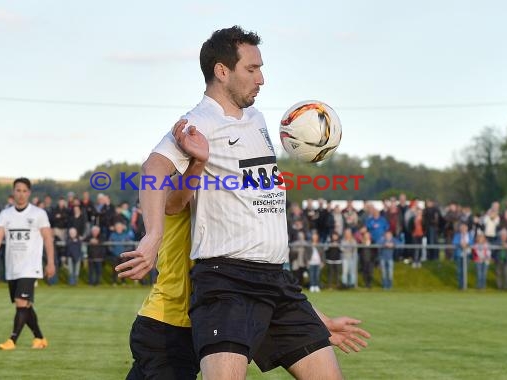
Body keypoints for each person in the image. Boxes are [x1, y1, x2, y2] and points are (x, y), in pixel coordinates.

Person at [118, 26, 356, 379]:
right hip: (227, 279)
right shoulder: (200, 120)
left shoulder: (257, 120)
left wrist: (317, 319)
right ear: (222, 71)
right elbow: (154, 168)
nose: (262, 78)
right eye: (252, 69)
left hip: (276, 279)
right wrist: (152, 235)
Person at [125, 158, 370, 379]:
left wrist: (320, 322)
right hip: (167, 327)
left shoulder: (226, 216)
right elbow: (173, 191)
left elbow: (261, 281)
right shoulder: (179, 192)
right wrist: (199, 161)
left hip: (208, 319)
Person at [0, 178, 55, 350]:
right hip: (13, 267)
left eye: (24, 191)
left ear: (29, 193)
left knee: (20, 302)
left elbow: (48, 238)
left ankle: (12, 340)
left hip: (30, 267)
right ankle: (39, 338)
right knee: (25, 305)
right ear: (13, 192)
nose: (21, 194)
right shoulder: (6, 214)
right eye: (18, 190)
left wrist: (51, 262)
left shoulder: (38, 214)